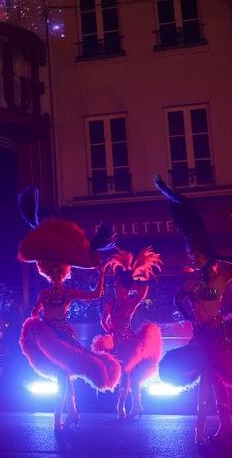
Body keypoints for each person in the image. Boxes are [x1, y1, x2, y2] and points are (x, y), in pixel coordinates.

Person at [16, 187, 121, 431]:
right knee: (62, 375)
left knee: (63, 375)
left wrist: (102, 274)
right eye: (52, 270)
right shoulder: (51, 293)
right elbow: (34, 315)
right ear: (50, 270)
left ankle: (60, 416)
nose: (54, 274)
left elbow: (95, 295)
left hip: (62, 336)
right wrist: (36, 329)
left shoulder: (60, 293)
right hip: (52, 335)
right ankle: (71, 412)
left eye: (55, 270)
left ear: (58, 270)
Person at [154, 175, 232, 445]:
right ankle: (201, 428)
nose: (192, 258)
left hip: (218, 335)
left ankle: (224, 427)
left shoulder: (223, 275)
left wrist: (219, 258)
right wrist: (189, 315)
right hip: (200, 337)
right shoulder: (193, 281)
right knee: (206, 383)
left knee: (223, 381)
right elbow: (177, 299)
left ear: (206, 253)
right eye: (191, 255)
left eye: (196, 255)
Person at [91, 247, 163, 418]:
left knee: (128, 373)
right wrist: (110, 332)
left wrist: (133, 276)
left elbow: (143, 290)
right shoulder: (111, 303)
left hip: (130, 343)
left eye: (119, 285)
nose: (116, 288)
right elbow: (103, 321)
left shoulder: (130, 302)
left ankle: (123, 407)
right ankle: (135, 405)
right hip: (117, 343)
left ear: (126, 288)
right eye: (115, 285)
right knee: (126, 373)